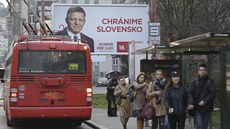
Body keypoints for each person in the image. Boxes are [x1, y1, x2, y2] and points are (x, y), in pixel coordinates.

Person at [188, 64, 216, 129]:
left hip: (208, 107)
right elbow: (190, 94)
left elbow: (213, 93)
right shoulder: (194, 82)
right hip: (197, 108)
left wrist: (205, 101)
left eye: (204, 70)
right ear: (198, 71)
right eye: (201, 70)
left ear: (206, 71)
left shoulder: (210, 81)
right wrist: (191, 103)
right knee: (199, 125)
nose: (202, 71)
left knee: (205, 126)